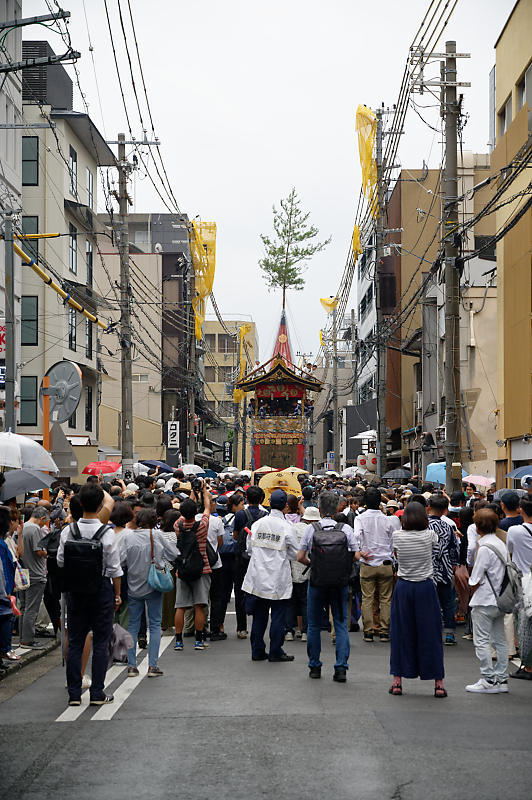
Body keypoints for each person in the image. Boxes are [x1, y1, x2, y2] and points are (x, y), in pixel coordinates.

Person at [57, 484, 122, 706]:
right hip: (101, 590)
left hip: (75, 591)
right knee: (102, 643)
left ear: (80, 504)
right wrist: (117, 594)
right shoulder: (107, 533)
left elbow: (60, 562)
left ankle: (74, 694)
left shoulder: (68, 531)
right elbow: (115, 568)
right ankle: (97, 693)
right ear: (101, 506)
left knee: (75, 642)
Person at [298, 492, 357, 682]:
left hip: (317, 581)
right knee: (340, 624)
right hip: (340, 582)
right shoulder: (346, 529)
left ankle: (315, 666)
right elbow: (355, 555)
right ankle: (341, 668)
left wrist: (313, 564)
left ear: (320, 509)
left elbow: (300, 557)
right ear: (338, 507)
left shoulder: (311, 529)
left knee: (314, 625)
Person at [389, 502, 446, 697]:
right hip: (425, 587)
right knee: (431, 634)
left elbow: (396, 556)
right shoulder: (430, 535)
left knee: (401, 633)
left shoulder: (397, 536)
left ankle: (397, 681)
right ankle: (438, 683)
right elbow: (437, 549)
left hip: (404, 586)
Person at [242, 489, 299, 663]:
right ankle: (275, 651)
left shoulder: (258, 524)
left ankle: (257, 650)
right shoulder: (287, 527)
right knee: (278, 616)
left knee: (260, 616)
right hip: (277, 577)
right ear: (285, 506)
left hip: (258, 575)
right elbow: (296, 553)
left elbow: (249, 549)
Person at [120, 508, 177, 678]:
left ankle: (131, 666)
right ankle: (153, 666)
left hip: (133, 586)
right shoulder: (157, 535)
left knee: (133, 625)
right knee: (154, 624)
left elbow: (121, 560)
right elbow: (173, 554)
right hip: (153, 584)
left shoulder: (128, 536)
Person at [465, 509, 509, 694]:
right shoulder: (500, 544)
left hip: (484, 599)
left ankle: (488, 679)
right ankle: (502, 678)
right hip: (501, 598)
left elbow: (475, 578)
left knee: (482, 640)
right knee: (500, 640)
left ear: (477, 527)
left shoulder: (483, 548)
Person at [353, 486, 396, 643]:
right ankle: (384, 632)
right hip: (385, 563)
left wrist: (359, 550)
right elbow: (392, 542)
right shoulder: (388, 520)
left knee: (367, 598)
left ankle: (369, 632)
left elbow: (356, 536)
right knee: (386, 599)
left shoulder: (360, 519)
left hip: (368, 562)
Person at [173, 481, 212, 652]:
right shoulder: (202, 526)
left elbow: (186, 512)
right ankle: (198, 640)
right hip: (201, 569)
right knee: (199, 606)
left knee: (180, 606)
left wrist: (192, 495)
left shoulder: (177, 526)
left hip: (182, 569)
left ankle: (179, 641)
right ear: (195, 512)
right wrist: (203, 492)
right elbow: (207, 510)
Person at [233, 485, 268, 639]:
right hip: (260, 558)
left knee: (240, 591)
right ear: (261, 499)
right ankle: (258, 625)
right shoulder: (265, 515)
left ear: (246, 498)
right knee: (259, 591)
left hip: (241, 558)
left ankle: (241, 627)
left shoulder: (240, 514)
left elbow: (235, 536)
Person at [427, 494, 460, 646]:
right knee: (447, 602)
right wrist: (454, 563)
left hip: (429, 568)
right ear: (445, 510)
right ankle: (449, 634)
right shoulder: (448, 526)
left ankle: (432, 632)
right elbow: (454, 547)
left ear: (428, 508)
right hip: (446, 568)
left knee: (430, 602)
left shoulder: (424, 525)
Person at [19, 507, 49, 649]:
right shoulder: (35, 529)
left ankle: (22, 637)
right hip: (36, 573)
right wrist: (46, 551)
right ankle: (28, 639)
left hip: (23, 573)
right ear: (42, 518)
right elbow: (38, 551)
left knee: (24, 607)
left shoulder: (22, 527)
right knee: (31, 609)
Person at [285, 506, 316, 641]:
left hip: (291, 569)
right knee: (305, 602)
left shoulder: (292, 528)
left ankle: (289, 631)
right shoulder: (314, 531)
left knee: (290, 602)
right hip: (307, 569)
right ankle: (305, 631)